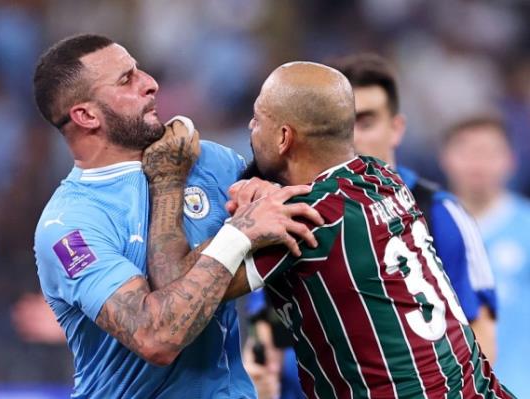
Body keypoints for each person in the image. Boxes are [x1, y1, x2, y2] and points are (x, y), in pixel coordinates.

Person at [153, 61, 514, 398]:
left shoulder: (302, 222)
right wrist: (264, 192)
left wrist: (170, 182)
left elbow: (177, 294)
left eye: (257, 118)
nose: (250, 127)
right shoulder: (382, 177)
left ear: (283, 137)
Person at [32, 34, 321, 398]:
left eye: (139, 70)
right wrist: (240, 233)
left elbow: (297, 218)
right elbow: (157, 338)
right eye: (126, 80)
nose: (150, 83)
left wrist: (266, 192)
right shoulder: (69, 225)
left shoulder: (208, 161)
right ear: (86, 115)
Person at [328, 54, 497, 362]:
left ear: (396, 128)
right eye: (342, 125)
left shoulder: (441, 214)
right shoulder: (295, 217)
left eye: (366, 123)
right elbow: (269, 335)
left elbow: (480, 336)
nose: (352, 138)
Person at [440, 115, 530, 398]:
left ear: (511, 160)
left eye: (489, 152)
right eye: (466, 151)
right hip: (447, 388)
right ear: (445, 158)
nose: (477, 163)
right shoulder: (421, 226)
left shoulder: (526, 226)